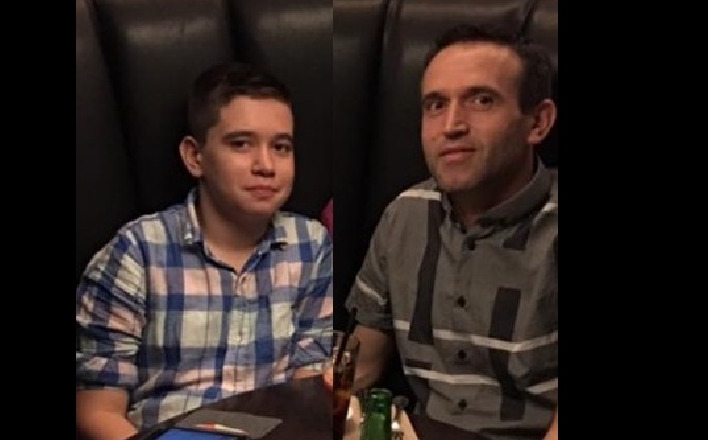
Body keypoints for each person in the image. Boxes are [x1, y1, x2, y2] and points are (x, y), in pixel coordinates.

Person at [76, 62, 333, 440]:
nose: (265, 165)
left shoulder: (310, 245)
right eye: (241, 144)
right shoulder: (136, 253)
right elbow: (96, 412)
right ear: (195, 157)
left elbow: (309, 380)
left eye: (281, 147)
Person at [344, 23, 558, 440]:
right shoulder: (403, 215)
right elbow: (359, 367)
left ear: (538, 122)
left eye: (481, 100)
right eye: (436, 105)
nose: (452, 125)